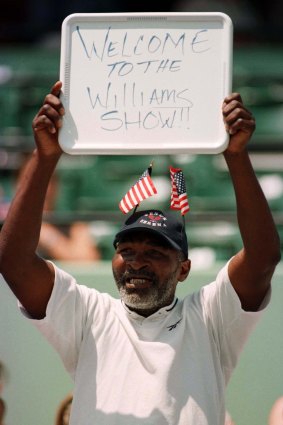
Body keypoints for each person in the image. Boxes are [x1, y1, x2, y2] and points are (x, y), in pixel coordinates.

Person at [0, 81, 280, 425]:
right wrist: (45, 158)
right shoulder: (89, 314)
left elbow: (263, 257)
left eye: (156, 252)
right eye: (126, 249)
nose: (137, 261)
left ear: (183, 269)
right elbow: (14, 262)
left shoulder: (210, 317)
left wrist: (235, 156)